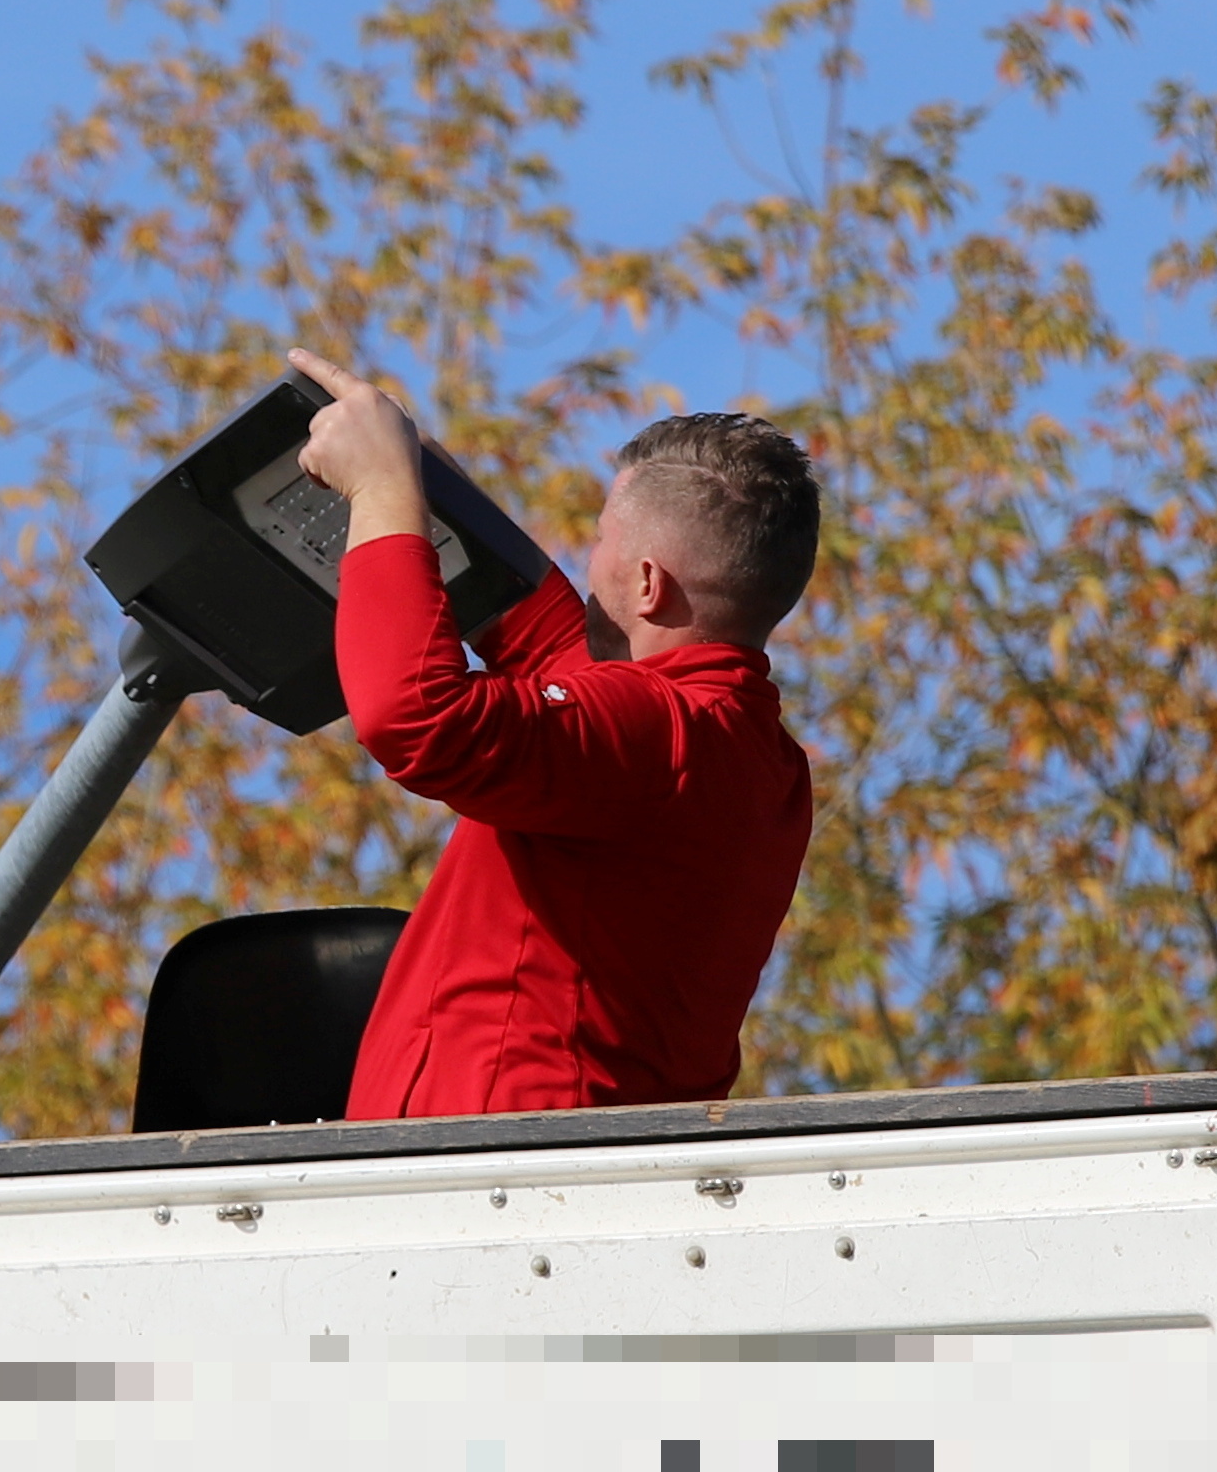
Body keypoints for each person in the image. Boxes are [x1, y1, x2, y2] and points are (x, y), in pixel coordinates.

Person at [281, 347, 820, 1120]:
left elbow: (416, 715)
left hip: (495, 1173)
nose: (585, 560)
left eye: (600, 541)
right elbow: (542, 639)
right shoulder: (746, 754)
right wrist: (421, 480)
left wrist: (381, 489)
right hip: (546, 1169)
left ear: (646, 583)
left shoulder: (662, 737)